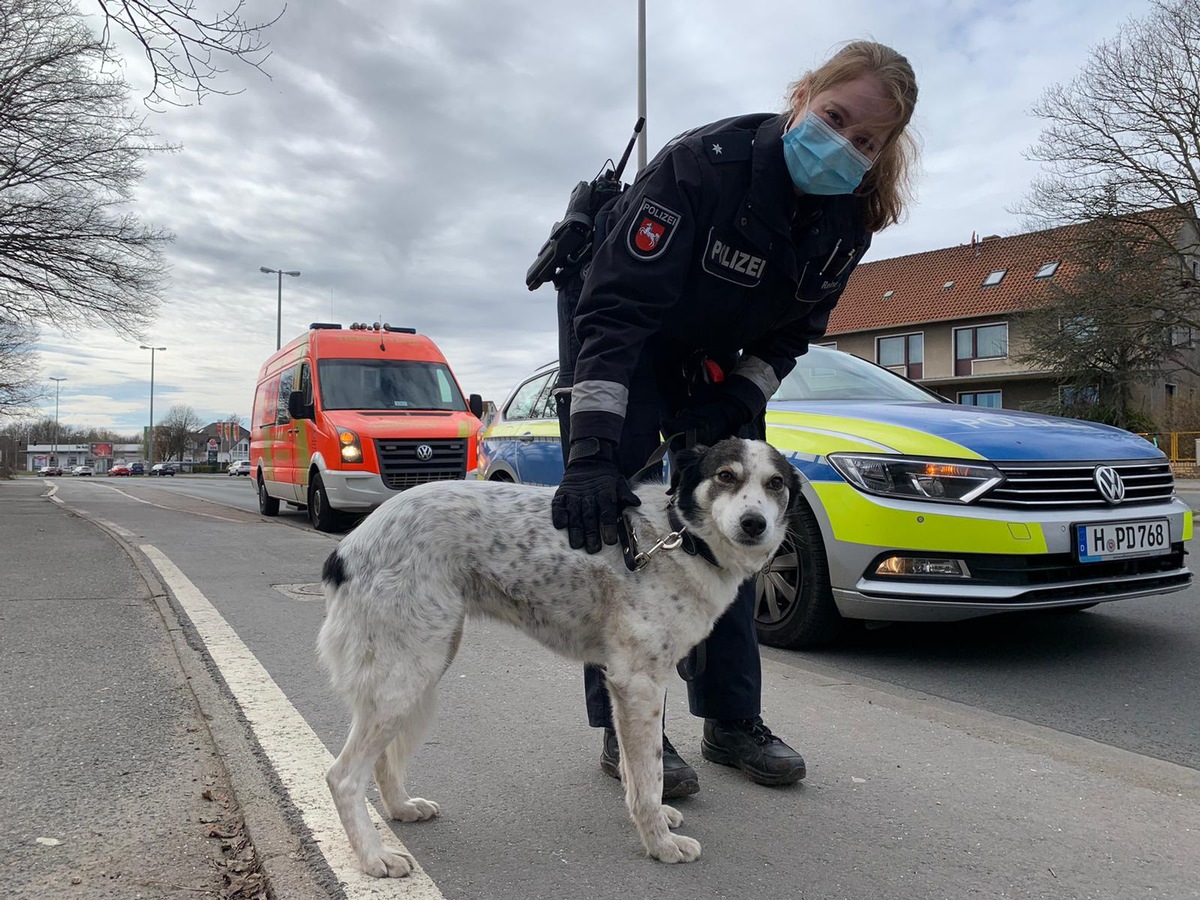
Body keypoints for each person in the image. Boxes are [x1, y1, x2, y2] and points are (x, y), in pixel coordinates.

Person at [551, 40, 920, 798]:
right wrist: (593, 456)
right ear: (802, 97)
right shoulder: (699, 168)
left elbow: (791, 336)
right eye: (834, 117)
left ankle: (731, 721)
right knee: (618, 536)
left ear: (882, 153)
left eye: (865, 141)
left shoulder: (848, 221)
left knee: (736, 531)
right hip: (627, 340)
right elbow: (614, 315)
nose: (842, 145)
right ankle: (633, 734)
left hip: (715, 361)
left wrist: (734, 401)